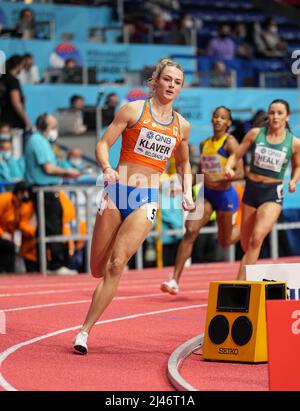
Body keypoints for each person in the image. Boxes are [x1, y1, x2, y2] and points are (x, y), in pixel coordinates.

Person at [73, 58, 195, 354]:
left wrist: (188, 191)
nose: (171, 86)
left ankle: (83, 332)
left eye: (177, 82)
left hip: (146, 199)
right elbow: (103, 144)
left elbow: (183, 162)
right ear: (156, 81)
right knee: (97, 269)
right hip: (118, 191)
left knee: (117, 265)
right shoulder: (132, 110)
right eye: (167, 80)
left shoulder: (182, 125)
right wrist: (105, 167)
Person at [160, 106, 244, 295]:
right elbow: (199, 172)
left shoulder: (230, 143)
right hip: (206, 195)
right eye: (215, 116)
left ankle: (247, 228)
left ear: (228, 123)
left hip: (225, 195)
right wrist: (184, 187)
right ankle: (174, 280)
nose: (218, 120)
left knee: (225, 240)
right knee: (190, 231)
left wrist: (219, 178)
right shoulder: (204, 144)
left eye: (223, 117)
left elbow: (241, 172)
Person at [225, 99, 300, 280]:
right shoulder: (255, 134)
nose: (275, 116)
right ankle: (250, 270)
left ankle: (240, 283)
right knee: (246, 243)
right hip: (252, 190)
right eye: (272, 112)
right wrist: (229, 166)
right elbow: (237, 154)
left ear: (287, 117)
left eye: (279, 113)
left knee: (257, 238)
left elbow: (298, 166)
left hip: (272, 192)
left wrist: (293, 181)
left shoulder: (294, 143)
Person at [24, 113, 80, 274]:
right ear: (44, 126)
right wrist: (68, 172)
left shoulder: (39, 141)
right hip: (44, 190)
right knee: (53, 225)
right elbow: (48, 168)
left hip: (43, 190)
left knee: (46, 227)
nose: (55, 130)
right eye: (53, 126)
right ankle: (56, 264)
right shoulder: (38, 141)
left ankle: (42, 263)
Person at [0, 181, 30, 273]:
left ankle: (9, 273)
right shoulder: (4, 199)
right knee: (8, 246)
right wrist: (2, 234)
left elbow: (18, 223)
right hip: (3, 234)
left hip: (10, 236)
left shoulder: (23, 205)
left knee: (12, 246)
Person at [0, 55, 32, 132]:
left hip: (3, 121)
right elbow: (16, 103)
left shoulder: (2, 79)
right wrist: (27, 121)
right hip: (13, 123)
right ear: (18, 66)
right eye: (23, 65)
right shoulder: (13, 81)